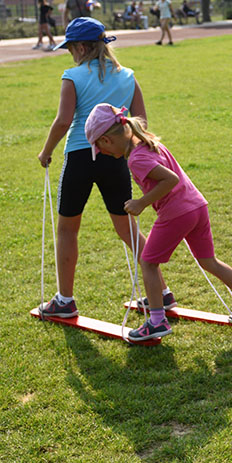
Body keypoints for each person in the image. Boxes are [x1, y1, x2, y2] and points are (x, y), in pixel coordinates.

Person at [84, 103, 232, 341]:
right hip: (197, 206)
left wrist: (141, 202)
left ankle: (157, 322)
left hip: (177, 212)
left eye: (100, 148)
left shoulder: (136, 159)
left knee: (148, 263)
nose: (103, 154)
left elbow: (169, 180)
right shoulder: (149, 142)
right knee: (209, 261)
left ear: (107, 140)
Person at [35, 18, 155, 318]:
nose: (70, 54)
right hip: (116, 157)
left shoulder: (72, 76)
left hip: (80, 155)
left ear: (82, 46)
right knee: (127, 227)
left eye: (71, 48)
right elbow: (141, 121)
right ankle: (161, 292)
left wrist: (46, 151)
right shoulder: (128, 76)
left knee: (67, 229)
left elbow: (64, 121)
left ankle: (64, 301)